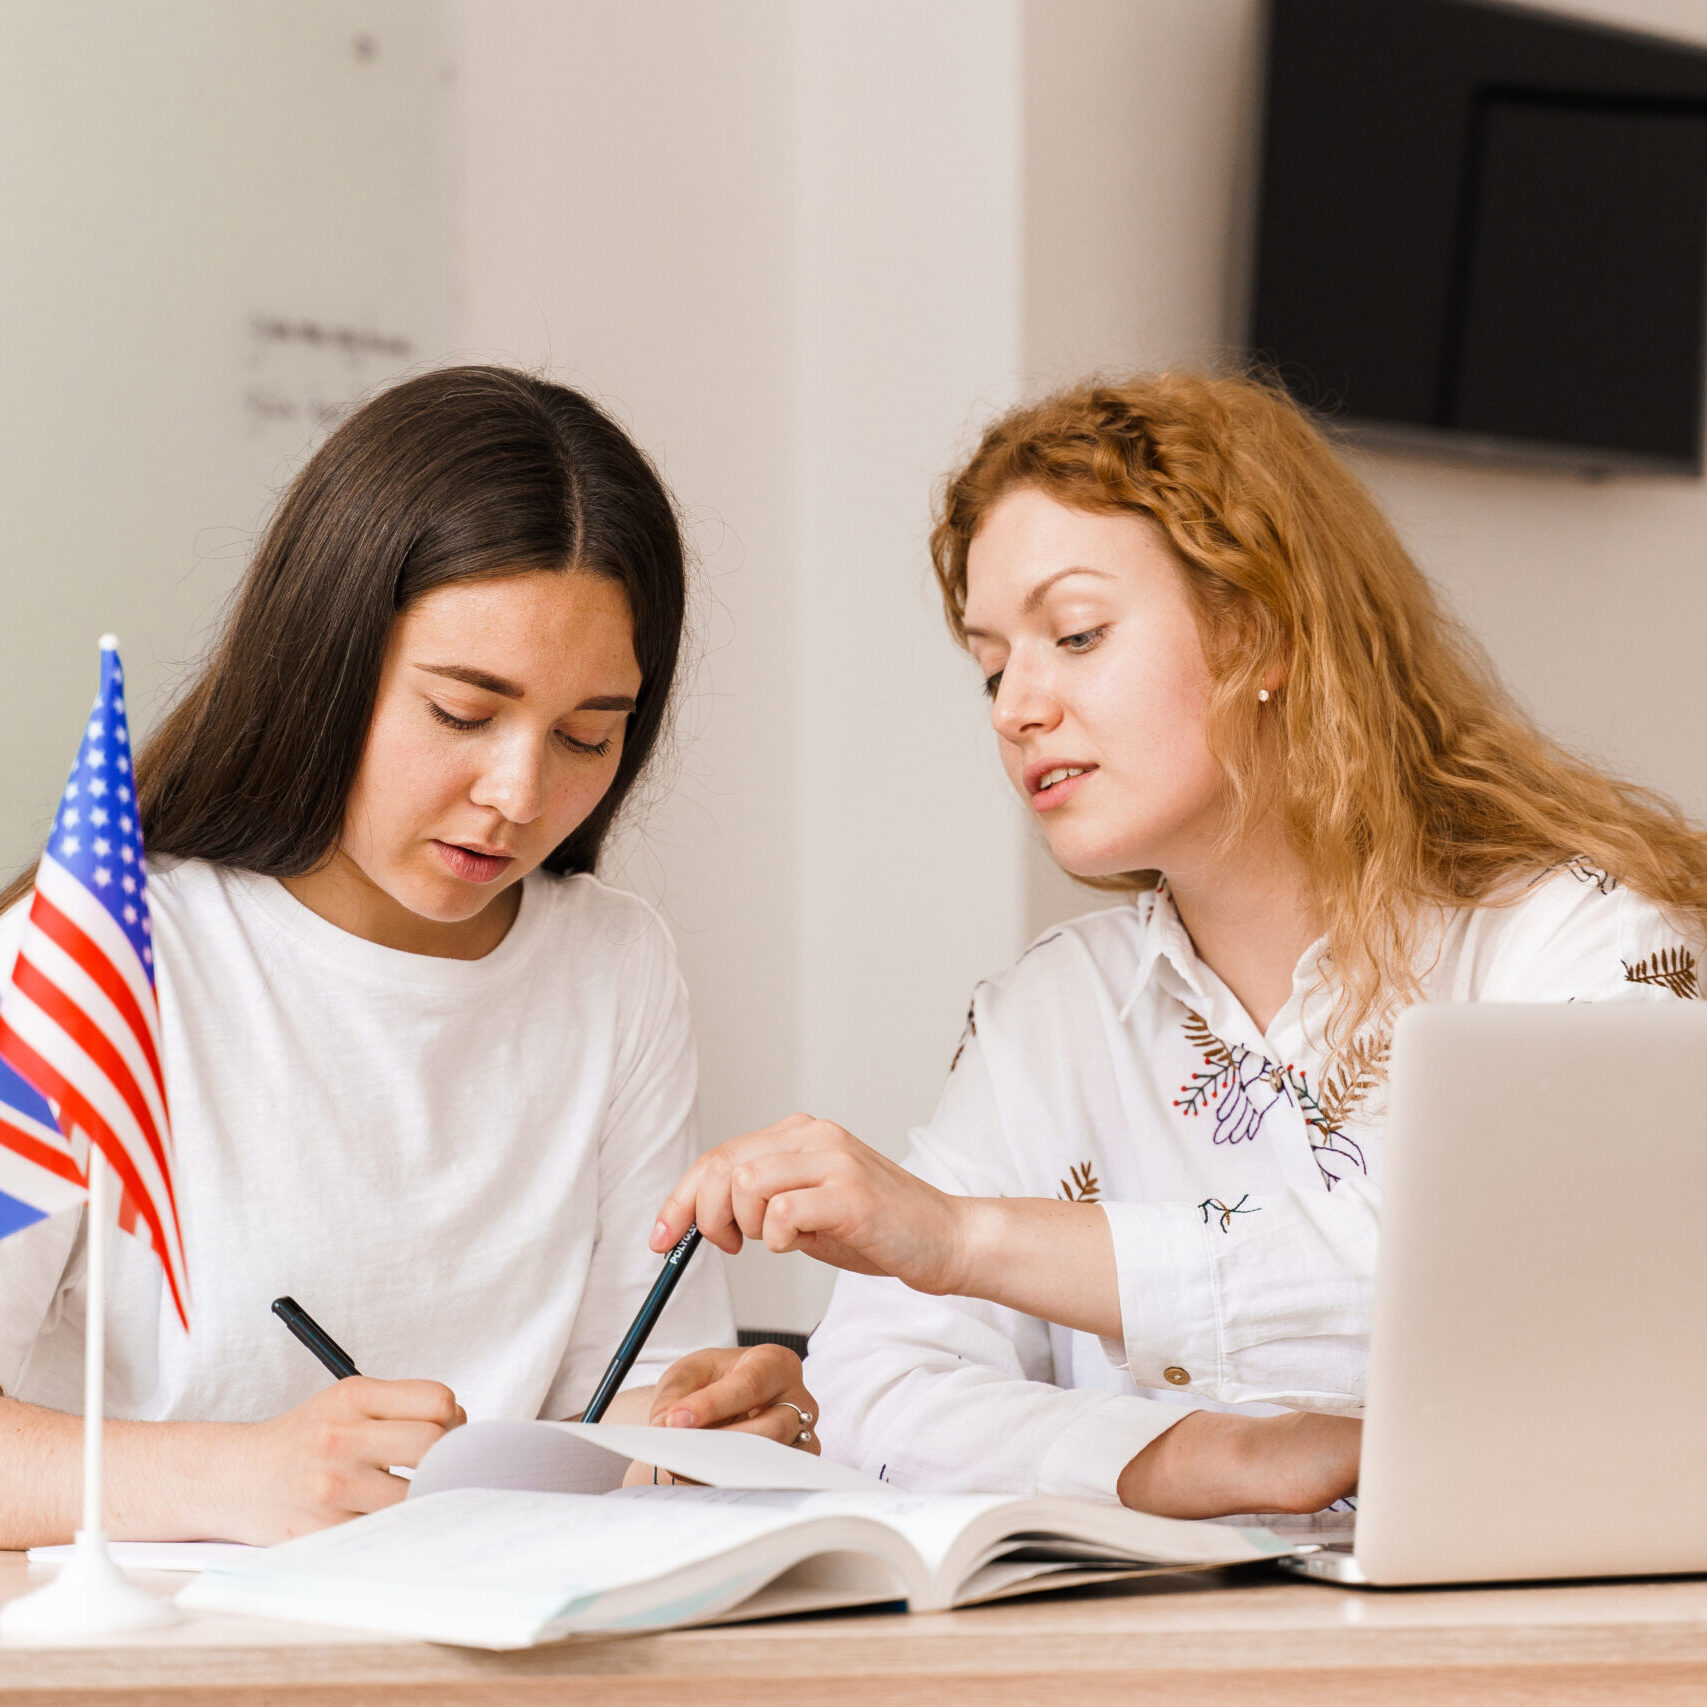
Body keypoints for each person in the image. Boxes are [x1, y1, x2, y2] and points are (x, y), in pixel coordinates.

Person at [651, 371, 1707, 1518]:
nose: (1015, 707)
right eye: (993, 664)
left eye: (1077, 633)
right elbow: (874, 1382)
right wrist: (1224, 1458)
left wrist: (957, 1236)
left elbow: (1524, 1280)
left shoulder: (1578, 936)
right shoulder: (1049, 1014)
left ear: (1262, 627)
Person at [0, 366, 815, 1549]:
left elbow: (625, 1404)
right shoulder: (98, 953)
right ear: (325, 662)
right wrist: (236, 1478)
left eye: (590, 734)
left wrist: (705, 1437)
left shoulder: (614, 968)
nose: (521, 795)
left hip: (508, 1635)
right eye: (462, 713)